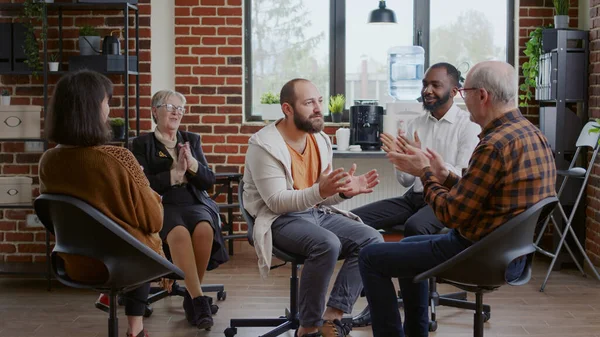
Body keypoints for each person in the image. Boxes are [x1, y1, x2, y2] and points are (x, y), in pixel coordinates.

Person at [358, 61, 557, 337]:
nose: (464, 100)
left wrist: (425, 172)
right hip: (511, 255)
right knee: (409, 245)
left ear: (483, 96)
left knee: (370, 256)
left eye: (465, 93)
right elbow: (483, 193)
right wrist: (446, 176)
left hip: (478, 255)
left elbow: (450, 215)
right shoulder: (533, 135)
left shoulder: (493, 145)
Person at [243, 78, 384, 337]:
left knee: (372, 238)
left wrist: (341, 191)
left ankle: (332, 318)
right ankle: (308, 328)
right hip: (277, 218)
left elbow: (319, 197)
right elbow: (276, 201)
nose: (318, 108)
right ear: (287, 109)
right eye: (309, 103)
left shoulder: (319, 140)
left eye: (319, 101)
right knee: (327, 243)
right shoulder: (263, 146)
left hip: (313, 214)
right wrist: (321, 191)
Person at [39, 70, 165, 337]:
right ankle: (136, 330)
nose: (109, 109)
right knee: (145, 231)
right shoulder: (118, 158)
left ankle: (132, 323)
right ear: (91, 108)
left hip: (73, 262)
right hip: (124, 262)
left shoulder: (48, 161)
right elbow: (154, 220)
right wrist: (142, 182)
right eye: (107, 102)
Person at [132, 90, 229, 330]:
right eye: (170, 106)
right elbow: (141, 185)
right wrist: (175, 175)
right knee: (179, 234)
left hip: (193, 200)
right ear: (155, 111)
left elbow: (208, 182)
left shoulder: (191, 140)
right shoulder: (141, 144)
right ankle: (198, 301)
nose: (177, 112)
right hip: (162, 203)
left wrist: (193, 165)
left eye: (180, 108)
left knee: (205, 229)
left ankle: (192, 297)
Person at [351, 62, 480, 236]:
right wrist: (400, 158)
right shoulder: (416, 124)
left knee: (416, 226)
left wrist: (423, 163)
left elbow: (461, 176)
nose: (427, 90)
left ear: (454, 91)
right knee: (353, 219)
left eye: (435, 85)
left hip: (446, 199)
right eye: (425, 84)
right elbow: (406, 181)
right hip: (415, 197)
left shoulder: (469, 125)